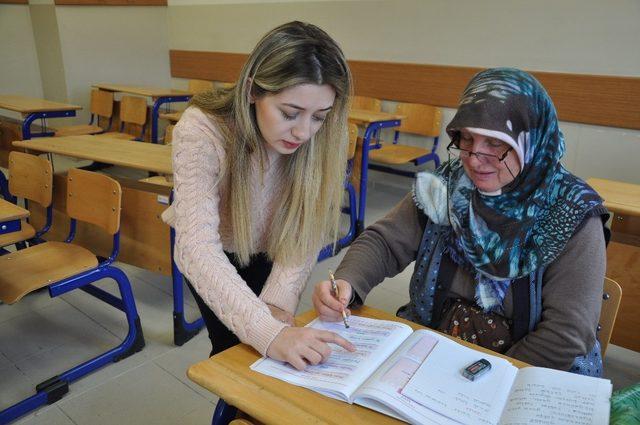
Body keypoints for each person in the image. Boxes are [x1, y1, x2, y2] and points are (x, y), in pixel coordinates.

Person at [313, 68, 609, 376]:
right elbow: (385, 242)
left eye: (494, 143)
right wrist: (347, 282)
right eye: (466, 138)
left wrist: (485, 377)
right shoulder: (448, 185)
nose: (474, 157)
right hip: (436, 358)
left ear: (531, 141)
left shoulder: (572, 211)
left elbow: (566, 334)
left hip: (526, 373)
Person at [163, 21, 355, 371]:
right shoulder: (202, 128)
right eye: (289, 113)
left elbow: (306, 224)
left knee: (275, 355)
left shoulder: (324, 134)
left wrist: (280, 302)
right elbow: (197, 247)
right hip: (217, 252)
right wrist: (269, 333)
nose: (303, 132)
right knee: (232, 354)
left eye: (319, 118)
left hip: (279, 244)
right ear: (252, 91)